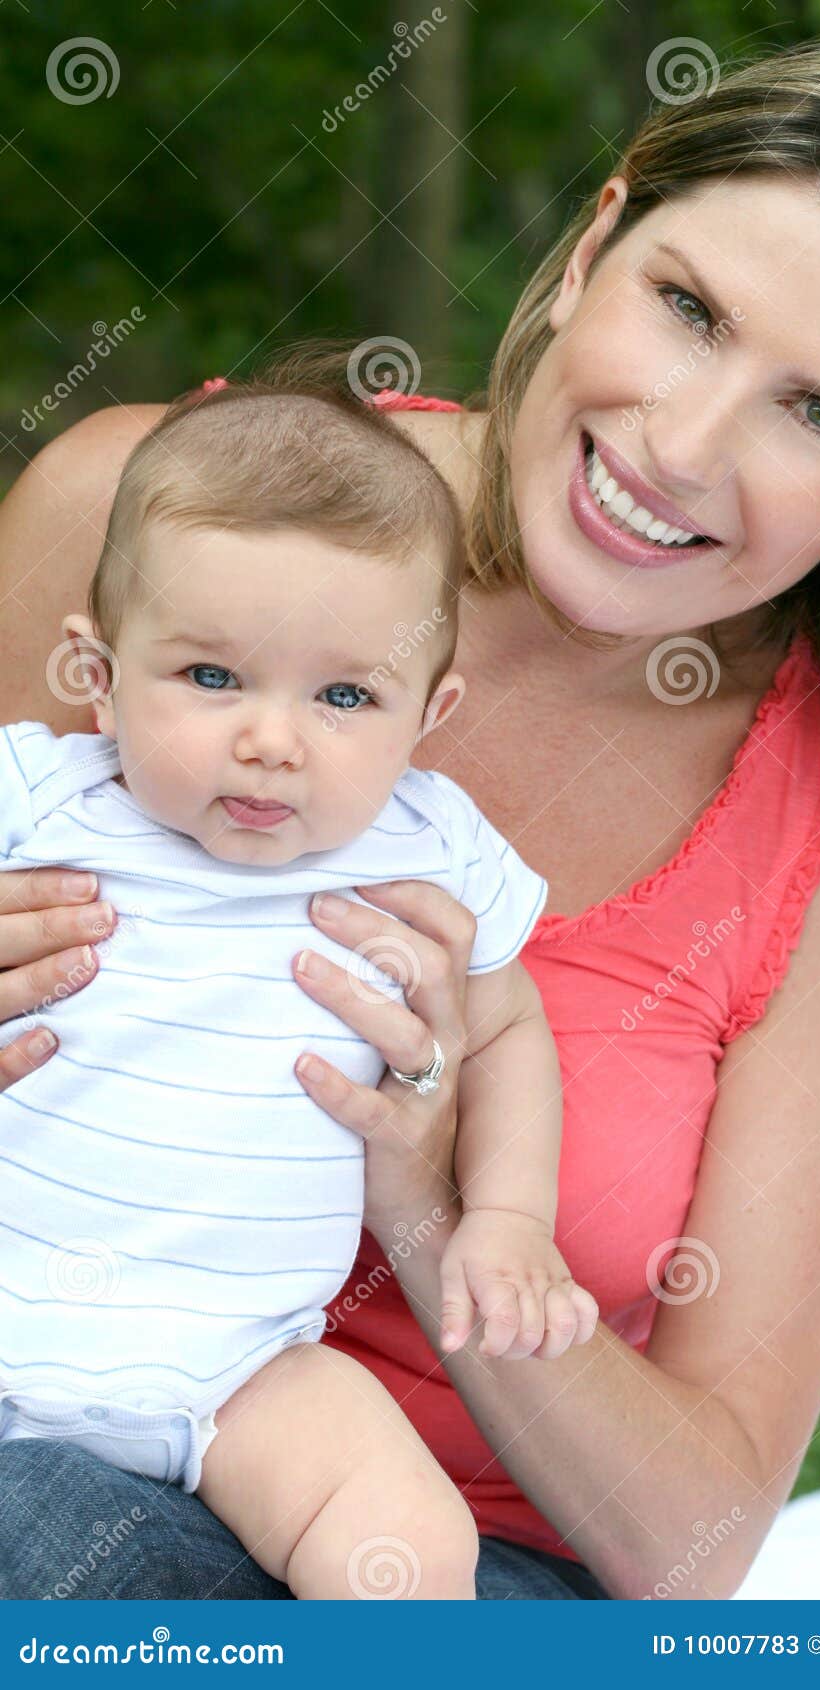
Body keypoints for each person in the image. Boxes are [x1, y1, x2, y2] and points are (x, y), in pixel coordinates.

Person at [0, 36, 820, 1601]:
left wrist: (439, 1210)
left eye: (818, 417)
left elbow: (687, 1541)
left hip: (426, 1550)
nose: (680, 444)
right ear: (587, 253)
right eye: (687, 310)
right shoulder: (151, 516)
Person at [0, 373, 601, 1600]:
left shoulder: (427, 849)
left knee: (410, 1551)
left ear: (426, 712)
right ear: (97, 673)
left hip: (247, 1370)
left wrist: (508, 1218)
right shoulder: (38, 797)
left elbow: (503, 1031)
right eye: (211, 677)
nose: (272, 739)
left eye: (342, 696)